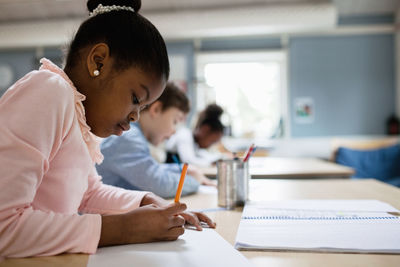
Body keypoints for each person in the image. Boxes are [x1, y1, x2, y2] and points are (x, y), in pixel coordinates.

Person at [0, 0, 214, 258]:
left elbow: (88, 193)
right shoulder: (49, 91)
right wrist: (126, 228)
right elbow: (5, 226)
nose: (135, 116)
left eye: (143, 108)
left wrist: (150, 203)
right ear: (98, 62)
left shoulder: (75, 112)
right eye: (136, 99)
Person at [97, 83, 216, 198]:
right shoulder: (128, 137)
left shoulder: (133, 136)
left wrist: (184, 170)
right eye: (175, 121)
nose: (174, 131)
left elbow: (153, 169)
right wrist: (195, 181)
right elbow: (159, 184)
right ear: (156, 109)